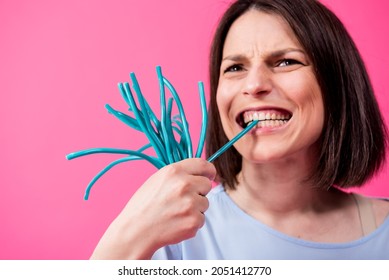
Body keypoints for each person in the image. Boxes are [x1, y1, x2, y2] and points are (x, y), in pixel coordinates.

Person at [90, 0, 389, 260]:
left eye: (285, 62)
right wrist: (128, 236)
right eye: (235, 68)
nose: (254, 84)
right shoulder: (174, 235)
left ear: (336, 85)